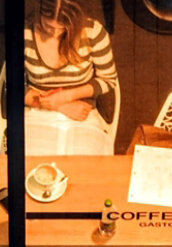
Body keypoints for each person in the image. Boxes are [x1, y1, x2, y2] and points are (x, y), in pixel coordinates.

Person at [22, 0, 118, 153]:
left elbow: (108, 79)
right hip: (36, 112)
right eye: (48, 26)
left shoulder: (93, 32)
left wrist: (66, 96)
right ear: (39, 13)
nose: (55, 34)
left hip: (82, 112)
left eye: (62, 28)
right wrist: (57, 105)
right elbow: (13, 88)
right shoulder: (24, 34)